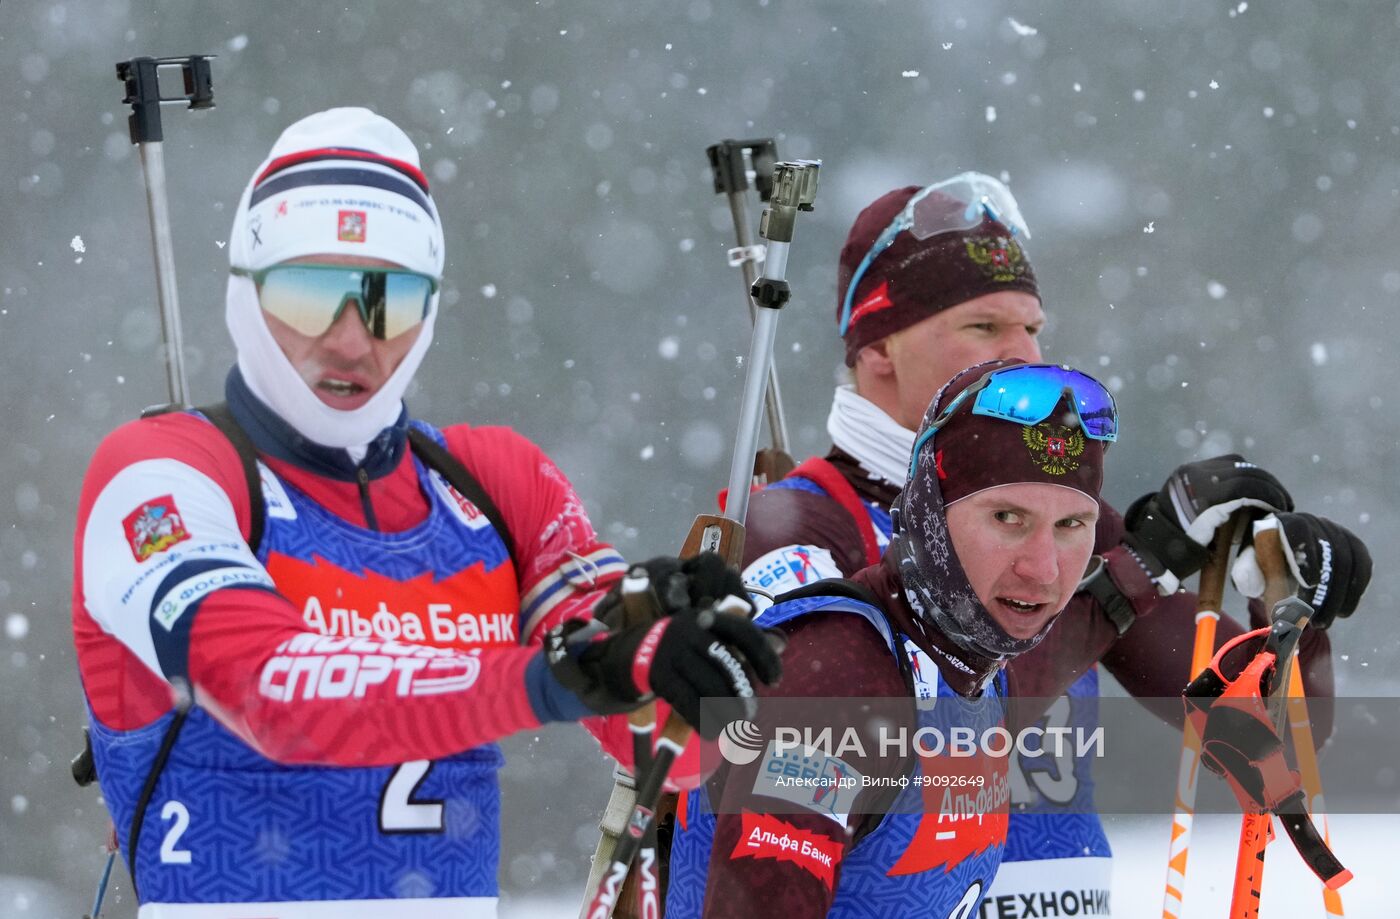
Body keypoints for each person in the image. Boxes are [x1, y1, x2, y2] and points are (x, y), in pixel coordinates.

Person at [70, 107, 780, 918]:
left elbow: (675, 751)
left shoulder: (494, 481)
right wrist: (561, 675)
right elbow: (273, 690)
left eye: (388, 300)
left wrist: (673, 646)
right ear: (245, 288)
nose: (348, 340)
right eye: (309, 294)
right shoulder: (162, 473)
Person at [736, 176, 1356, 913]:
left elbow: (1270, 741)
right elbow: (844, 745)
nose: (1022, 351)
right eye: (984, 326)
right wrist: (1135, 572)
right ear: (878, 351)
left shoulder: (1073, 518)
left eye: (1032, 327)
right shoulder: (803, 523)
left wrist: (1291, 611)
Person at [666, 360, 1369, 919]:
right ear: (930, 513)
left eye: (1072, 526)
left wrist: (1269, 602)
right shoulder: (838, 683)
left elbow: (1055, 657)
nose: (1044, 567)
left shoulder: (967, 664)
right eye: (1006, 516)